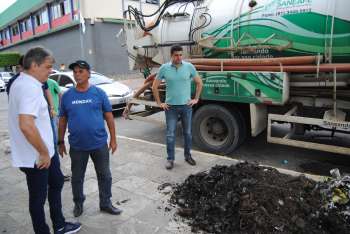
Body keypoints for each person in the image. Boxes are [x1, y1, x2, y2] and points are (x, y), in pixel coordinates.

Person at [7, 46, 81, 234]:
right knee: (38, 198)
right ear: (34, 65)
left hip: (44, 152)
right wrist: (43, 152)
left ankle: (60, 224)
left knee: (56, 182)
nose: (51, 71)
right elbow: (26, 125)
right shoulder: (28, 87)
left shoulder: (24, 82)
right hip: (37, 157)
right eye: (48, 67)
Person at [58, 60, 122, 217]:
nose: (77, 74)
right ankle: (78, 203)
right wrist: (60, 141)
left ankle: (105, 203)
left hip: (99, 144)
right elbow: (62, 120)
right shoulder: (67, 96)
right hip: (78, 146)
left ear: (88, 73)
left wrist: (113, 139)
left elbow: (109, 117)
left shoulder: (99, 93)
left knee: (105, 175)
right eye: (75, 72)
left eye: (81, 71)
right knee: (77, 178)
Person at [152, 45, 203, 170]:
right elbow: (154, 86)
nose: (179, 57)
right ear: (171, 55)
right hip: (171, 108)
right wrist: (160, 103)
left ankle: (188, 156)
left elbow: (199, 83)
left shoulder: (189, 67)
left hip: (186, 106)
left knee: (188, 133)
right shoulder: (164, 68)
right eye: (176, 55)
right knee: (170, 134)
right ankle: (170, 159)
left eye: (181, 55)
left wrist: (195, 99)